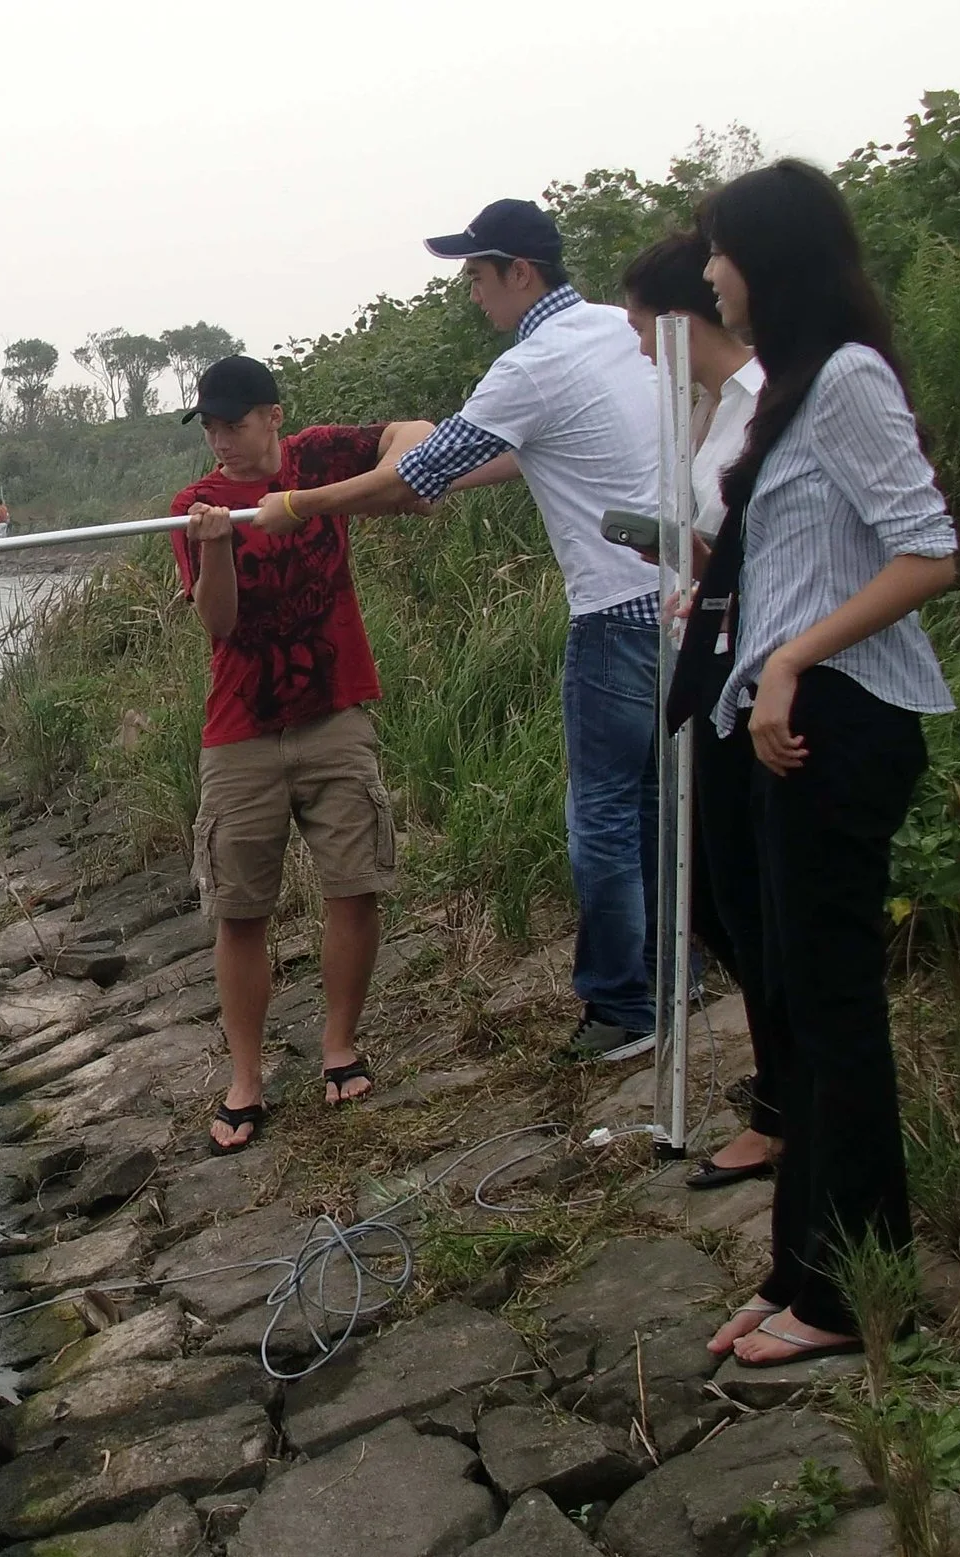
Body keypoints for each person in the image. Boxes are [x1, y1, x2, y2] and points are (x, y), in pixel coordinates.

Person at [272, 198, 666, 1064]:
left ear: (520, 273)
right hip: (682, 600)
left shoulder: (532, 363)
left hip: (614, 614)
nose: (474, 294)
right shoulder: (615, 329)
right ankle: (674, 977)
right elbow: (528, 451)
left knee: (601, 815)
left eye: (479, 277)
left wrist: (298, 505)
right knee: (655, 802)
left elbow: (410, 479)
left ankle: (622, 1007)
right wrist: (430, 478)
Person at [675, 162, 957, 1367]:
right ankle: (800, 1267)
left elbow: (927, 550)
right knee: (794, 1003)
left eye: (718, 249)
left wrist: (791, 659)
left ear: (769, 258)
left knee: (832, 1008)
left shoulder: (844, 376)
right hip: (784, 720)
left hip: (839, 718)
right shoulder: (787, 388)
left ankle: (850, 1295)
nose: (707, 273)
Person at [172, 355, 433, 1154]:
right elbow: (218, 624)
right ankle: (245, 1079)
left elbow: (417, 435)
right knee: (239, 909)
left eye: (235, 423)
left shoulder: (318, 455)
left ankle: (339, 1045)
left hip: (334, 712)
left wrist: (349, 493)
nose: (222, 439)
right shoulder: (194, 504)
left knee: (354, 885)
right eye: (210, 426)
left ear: (273, 417)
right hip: (241, 730)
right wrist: (217, 545)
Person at [619, 232, 779, 1193]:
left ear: (680, 318)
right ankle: (782, 1075)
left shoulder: (768, 402)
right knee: (716, 891)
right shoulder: (704, 410)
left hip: (759, 666)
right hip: (704, 657)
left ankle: (785, 1101)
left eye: (643, 327)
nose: (640, 348)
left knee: (743, 889)